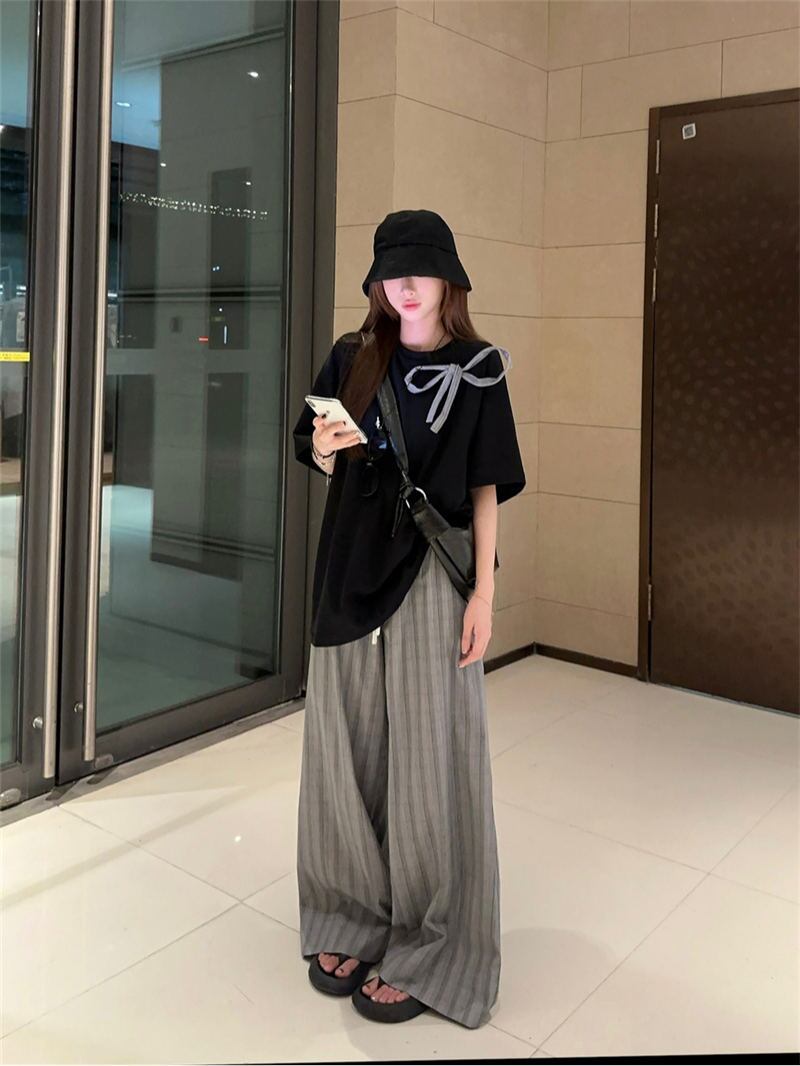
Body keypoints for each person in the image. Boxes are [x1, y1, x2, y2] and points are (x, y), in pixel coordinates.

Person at [291, 209, 526, 1029]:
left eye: (420, 270)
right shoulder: (353, 356)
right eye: (392, 272)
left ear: (448, 278)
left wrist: (484, 595)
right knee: (344, 748)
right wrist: (327, 446)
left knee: (433, 758)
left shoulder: (480, 368)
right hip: (349, 568)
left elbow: (486, 488)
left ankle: (434, 945)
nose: (406, 285)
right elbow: (315, 451)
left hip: (433, 575)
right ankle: (350, 913)